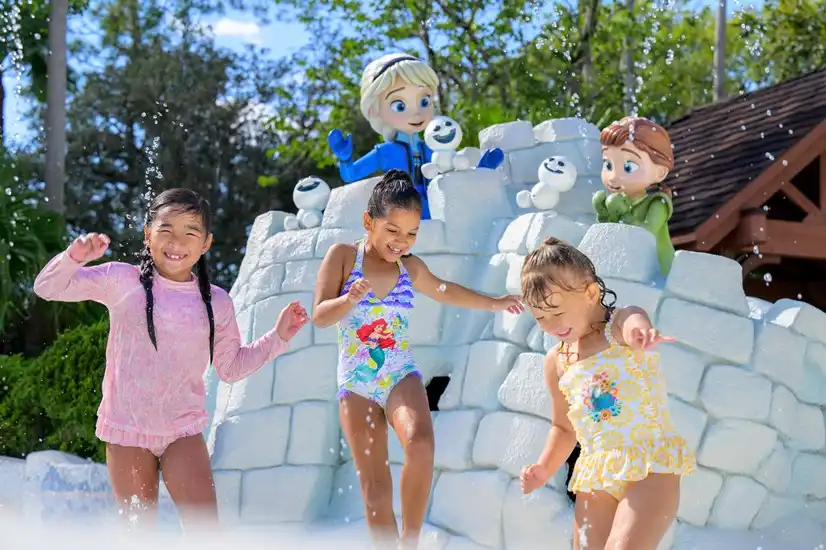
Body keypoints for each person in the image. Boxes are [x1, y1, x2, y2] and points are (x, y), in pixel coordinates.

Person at [33, 188, 309, 529]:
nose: (176, 242)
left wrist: (278, 337)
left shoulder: (216, 302)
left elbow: (231, 367)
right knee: (139, 535)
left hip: (182, 431)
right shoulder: (121, 280)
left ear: (206, 243)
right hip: (127, 430)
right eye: (165, 229)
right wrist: (73, 258)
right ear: (148, 234)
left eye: (190, 232)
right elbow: (47, 288)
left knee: (204, 531)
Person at [312, 169, 522, 549]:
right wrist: (347, 299)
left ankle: (410, 540)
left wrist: (496, 303)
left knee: (421, 444)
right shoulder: (343, 256)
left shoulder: (409, 267)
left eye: (411, 233)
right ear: (369, 222)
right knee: (375, 488)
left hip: (398, 372)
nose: (402, 241)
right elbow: (320, 316)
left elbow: (446, 291)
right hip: (357, 383)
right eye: (392, 230)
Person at [518, 237, 694, 550]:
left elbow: (633, 320)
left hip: (650, 464)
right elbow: (563, 428)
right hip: (596, 473)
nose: (550, 324)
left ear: (590, 294)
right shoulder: (557, 361)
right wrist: (544, 468)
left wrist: (640, 331)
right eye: (540, 317)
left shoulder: (617, 328)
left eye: (556, 311)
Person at [327, 52, 505, 220]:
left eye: (424, 101)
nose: (417, 113)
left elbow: (455, 174)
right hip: (402, 215)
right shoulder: (385, 151)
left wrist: (480, 170)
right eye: (400, 105)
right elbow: (351, 175)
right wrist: (345, 158)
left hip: (436, 211)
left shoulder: (432, 148)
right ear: (375, 110)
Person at [591, 116, 676, 274]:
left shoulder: (658, 203)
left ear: (660, 172)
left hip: (658, 272)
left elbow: (645, 233)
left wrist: (624, 213)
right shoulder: (615, 202)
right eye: (608, 165)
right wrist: (603, 213)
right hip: (624, 269)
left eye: (629, 167)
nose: (614, 177)